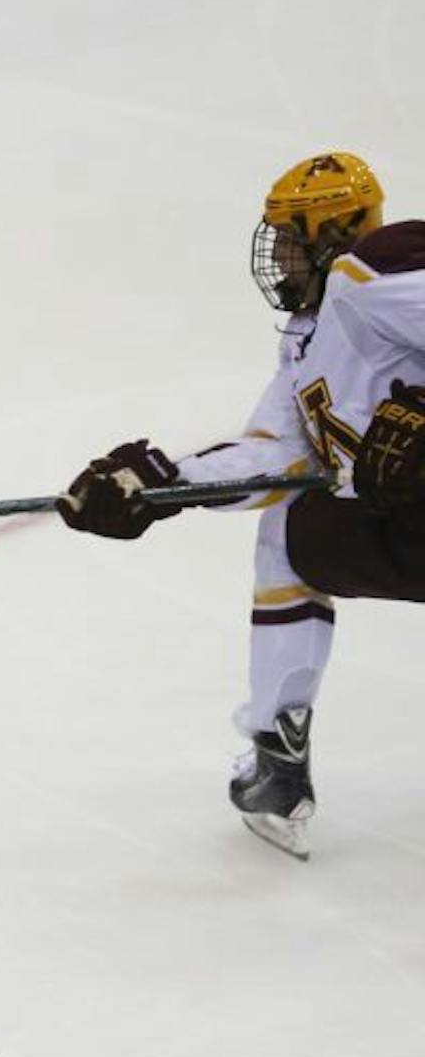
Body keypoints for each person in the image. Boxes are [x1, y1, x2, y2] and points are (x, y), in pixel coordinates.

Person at [56, 152, 425, 859]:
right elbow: (277, 456)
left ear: (332, 235)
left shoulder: (369, 277)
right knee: (292, 532)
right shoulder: (306, 345)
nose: (279, 256)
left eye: (291, 238)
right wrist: (160, 484)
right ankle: (278, 758)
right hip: (411, 526)